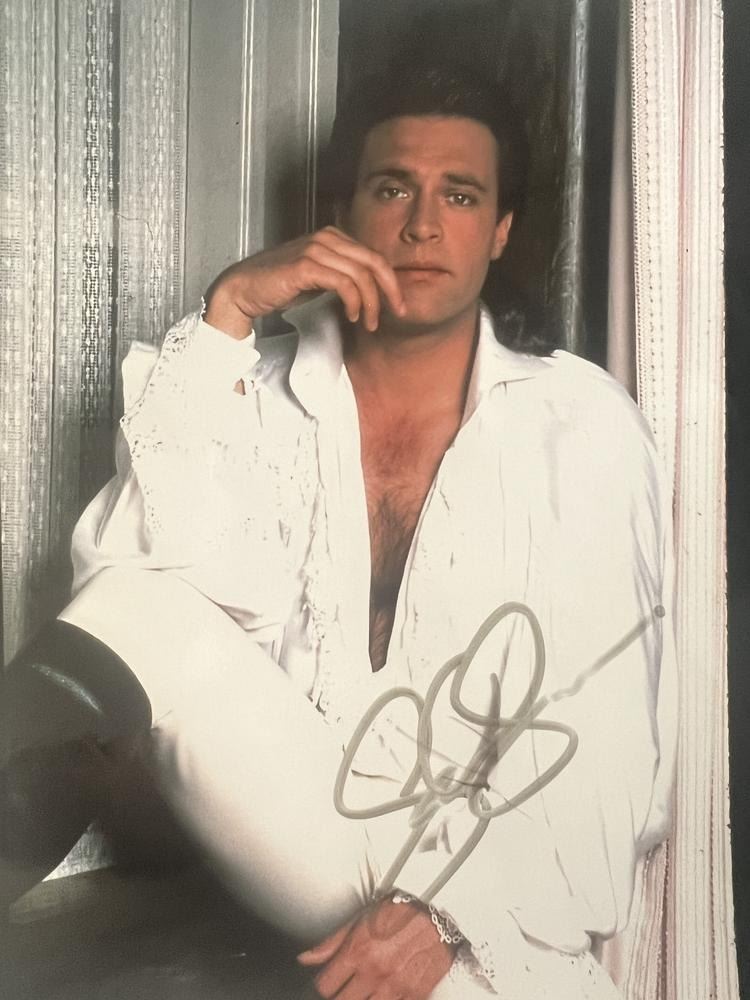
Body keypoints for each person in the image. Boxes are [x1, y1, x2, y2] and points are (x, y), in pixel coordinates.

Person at [1, 62, 677, 999]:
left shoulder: (579, 427)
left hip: (492, 907)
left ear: (502, 230)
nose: (423, 224)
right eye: (393, 188)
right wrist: (228, 313)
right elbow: (127, 597)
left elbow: (605, 760)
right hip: (312, 834)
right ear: (341, 215)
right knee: (139, 601)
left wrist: (445, 912)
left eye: (461, 195)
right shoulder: (262, 397)